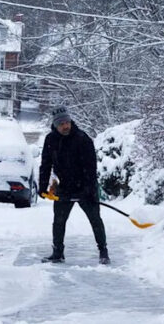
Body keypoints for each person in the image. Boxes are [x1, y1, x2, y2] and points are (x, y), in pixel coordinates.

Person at [38, 105, 109, 265]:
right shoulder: (51, 140)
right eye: (61, 123)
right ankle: (58, 252)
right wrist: (42, 186)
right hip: (64, 187)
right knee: (59, 221)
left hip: (85, 186)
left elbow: (91, 168)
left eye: (67, 122)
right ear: (56, 125)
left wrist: (89, 190)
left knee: (95, 219)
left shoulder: (82, 139)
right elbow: (45, 164)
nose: (65, 126)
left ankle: (103, 250)